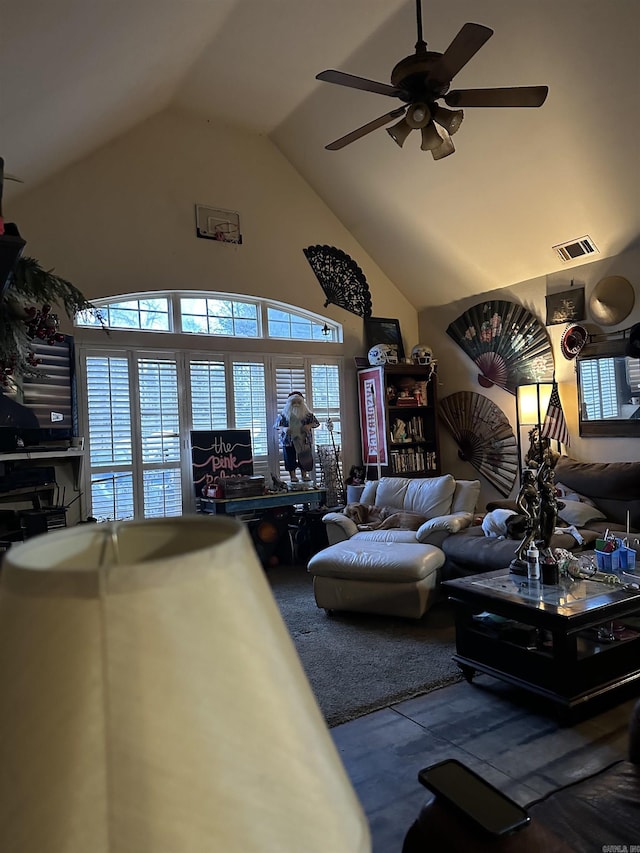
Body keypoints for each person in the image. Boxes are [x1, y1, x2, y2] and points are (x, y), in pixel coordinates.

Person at [274, 391, 319, 482]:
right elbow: (277, 425)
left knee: (305, 458)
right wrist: (284, 429)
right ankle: (293, 476)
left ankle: (304, 475)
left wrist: (308, 426)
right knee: (290, 458)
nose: (296, 404)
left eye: (299, 402)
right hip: (289, 441)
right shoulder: (284, 415)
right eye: (294, 402)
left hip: (304, 440)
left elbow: (316, 423)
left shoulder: (308, 415)